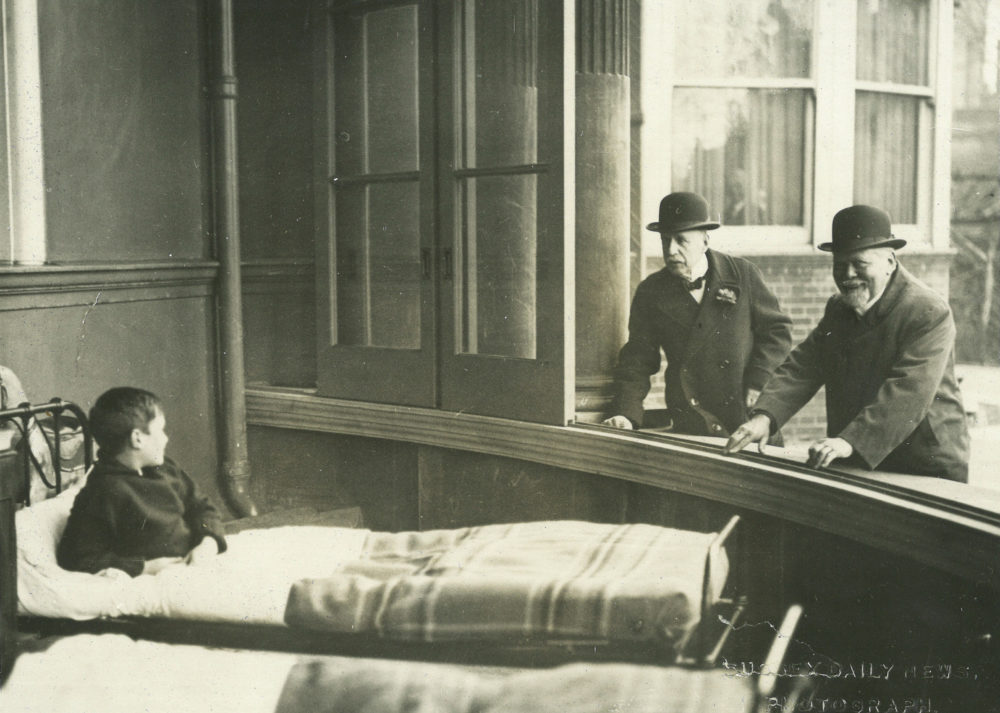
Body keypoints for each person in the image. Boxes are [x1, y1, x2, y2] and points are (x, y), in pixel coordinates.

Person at [723, 205, 970, 482]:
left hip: (924, 461)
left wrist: (849, 441)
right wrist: (765, 417)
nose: (847, 274)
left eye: (860, 264)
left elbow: (909, 390)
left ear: (890, 261)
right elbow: (804, 366)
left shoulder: (928, 311)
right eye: (839, 265)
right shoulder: (839, 308)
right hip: (856, 453)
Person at [603, 192, 793, 437]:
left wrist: (760, 382)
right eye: (665, 240)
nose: (671, 250)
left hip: (746, 414)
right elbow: (637, 360)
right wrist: (626, 414)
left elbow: (777, 333)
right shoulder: (652, 291)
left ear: (704, 241)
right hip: (692, 420)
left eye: (681, 240)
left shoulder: (742, 275)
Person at [57, 386, 228, 576]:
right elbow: (76, 558)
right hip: (155, 579)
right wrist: (142, 567)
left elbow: (202, 507)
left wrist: (208, 543)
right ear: (137, 438)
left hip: (197, 563)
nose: (166, 439)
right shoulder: (103, 491)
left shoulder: (166, 468)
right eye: (160, 431)